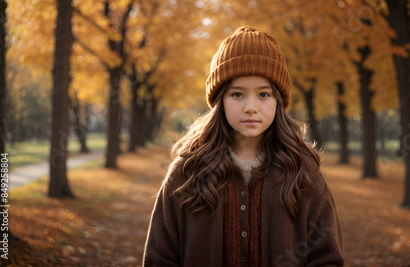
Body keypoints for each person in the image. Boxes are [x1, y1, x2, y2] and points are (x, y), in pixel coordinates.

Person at [143, 26, 343, 267]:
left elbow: (327, 258)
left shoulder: (303, 171)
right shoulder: (187, 171)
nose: (251, 107)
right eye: (237, 94)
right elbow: (159, 258)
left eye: (263, 95)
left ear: (279, 102)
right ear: (221, 101)